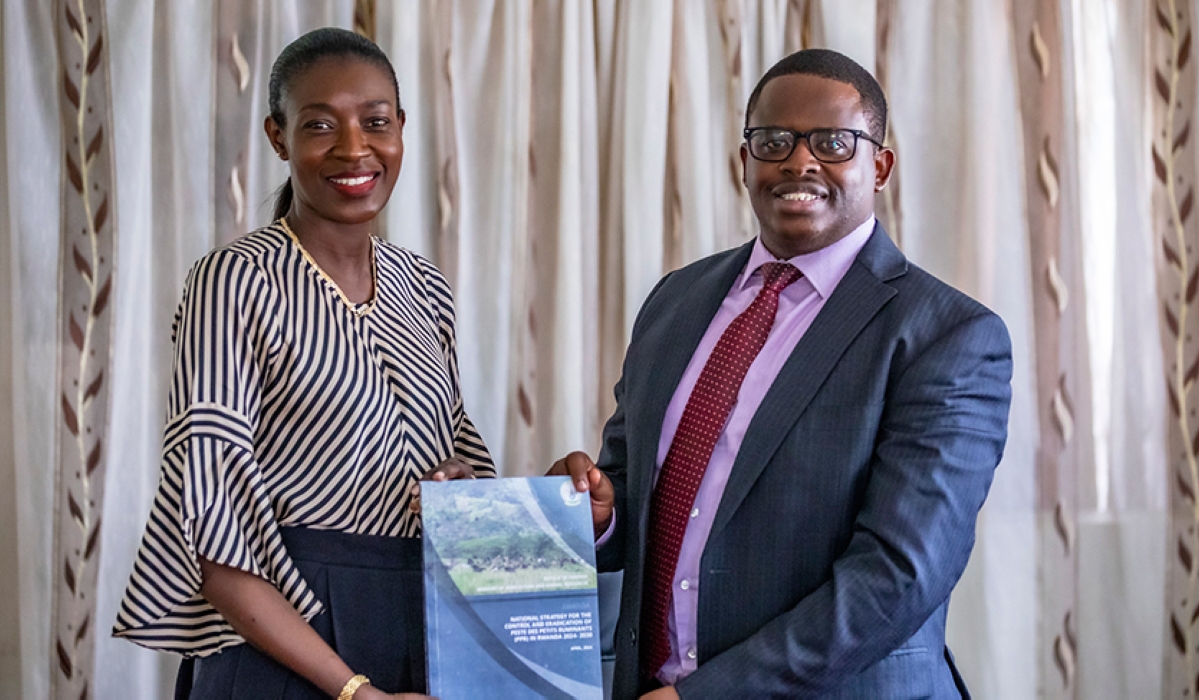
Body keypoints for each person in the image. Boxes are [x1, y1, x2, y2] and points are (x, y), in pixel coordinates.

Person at [552, 48, 1012, 699]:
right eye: (773, 141)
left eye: (833, 142)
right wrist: (596, 516)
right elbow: (638, 497)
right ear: (745, 161)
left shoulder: (948, 335)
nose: (800, 161)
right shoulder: (674, 301)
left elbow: (898, 575)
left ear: (877, 165)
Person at [113, 28, 493, 700]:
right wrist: (352, 690)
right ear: (277, 137)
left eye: (375, 122)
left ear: (401, 127)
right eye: (319, 125)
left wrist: (455, 483)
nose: (353, 148)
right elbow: (211, 527)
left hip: (422, 633)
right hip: (282, 648)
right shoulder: (234, 281)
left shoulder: (423, 284)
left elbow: (461, 459)